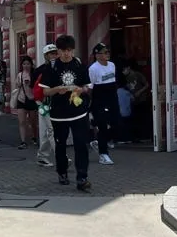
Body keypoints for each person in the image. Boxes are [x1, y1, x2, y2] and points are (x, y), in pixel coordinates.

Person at [40, 35, 92, 191]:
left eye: (69, 50)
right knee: (60, 145)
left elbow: (87, 86)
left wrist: (80, 90)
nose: (66, 54)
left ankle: (82, 177)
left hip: (78, 111)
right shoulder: (51, 67)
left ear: (73, 50)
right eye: (63, 51)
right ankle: (62, 171)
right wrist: (57, 89)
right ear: (58, 51)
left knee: (81, 144)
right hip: (59, 113)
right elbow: (45, 91)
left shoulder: (79, 64)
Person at [89, 43, 118, 166]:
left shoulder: (112, 65)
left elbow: (113, 81)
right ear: (97, 55)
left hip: (112, 96)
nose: (107, 54)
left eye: (108, 52)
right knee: (103, 126)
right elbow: (91, 87)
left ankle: (99, 142)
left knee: (117, 123)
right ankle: (103, 154)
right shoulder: (93, 68)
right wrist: (90, 104)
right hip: (100, 98)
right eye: (104, 52)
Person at [32, 44, 58, 167]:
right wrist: (39, 103)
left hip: (57, 102)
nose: (54, 56)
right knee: (52, 130)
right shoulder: (40, 70)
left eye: (55, 53)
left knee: (48, 131)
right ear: (45, 56)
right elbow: (33, 88)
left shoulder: (60, 68)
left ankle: (42, 156)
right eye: (51, 53)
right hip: (44, 103)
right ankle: (61, 157)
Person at [14, 55, 38, 151]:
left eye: (28, 64)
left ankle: (34, 136)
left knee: (33, 121)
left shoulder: (34, 74)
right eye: (24, 64)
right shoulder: (20, 75)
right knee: (22, 121)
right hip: (21, 99)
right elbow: (17, 86)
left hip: (32, 99)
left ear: (31, 65)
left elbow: (38, 86)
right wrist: (21, 83)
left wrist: (30, 83)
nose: (26, 66)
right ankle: (23, 141)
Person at [122, 60, 150, 142]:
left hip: (141, 99)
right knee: (134, 120)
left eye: (124, 69)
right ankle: (136, 137)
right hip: (132, 100)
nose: (123, 72)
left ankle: (144, 137)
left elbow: (147, 85)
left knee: (142, 118)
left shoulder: (138, 75)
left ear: (128, 68)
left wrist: (139, 92)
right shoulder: (125, 78)